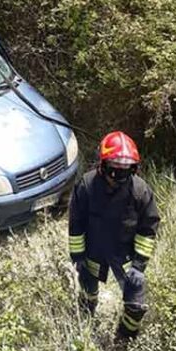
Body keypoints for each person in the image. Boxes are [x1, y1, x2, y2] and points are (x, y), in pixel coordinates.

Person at [68, 131, 160, 339]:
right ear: (103, 165)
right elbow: (76, 224)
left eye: (124, 171)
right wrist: (78, 257)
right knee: (87, 289)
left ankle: (124, 338)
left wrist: (139, 266)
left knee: (135, 305)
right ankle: (85, 318)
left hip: (126, 255)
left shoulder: (140, 191)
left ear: (133, 169)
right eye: (113, 170)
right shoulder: (87, 186)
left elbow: (148, 229)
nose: (117, 177)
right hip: (94, 251)